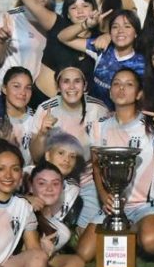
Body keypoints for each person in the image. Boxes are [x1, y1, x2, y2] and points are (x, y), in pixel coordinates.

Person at [77, 68, 154, 260]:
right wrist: (104, 198)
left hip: (147, 204)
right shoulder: (99, 126)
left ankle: (146, 227)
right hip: (114, 205)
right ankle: (125, 231)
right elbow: (96, 167)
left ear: (139, 94)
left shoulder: (149, 125)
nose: (121, 89)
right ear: (110, 91)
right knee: (84, 253)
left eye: (129, 84)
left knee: (151, 242)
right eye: (116, 84)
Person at [26, 65, 111, 233]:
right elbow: (35, 156)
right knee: (48, 228)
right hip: (53, 177)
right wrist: (42, 133)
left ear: (85, 86)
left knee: (85, 232)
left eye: (77, 81)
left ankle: (73, 222)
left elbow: (103, 154)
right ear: (58, 87)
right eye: (66, 82)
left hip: (86, 179)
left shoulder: (98, 109)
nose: (71, 87)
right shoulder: (46, 108)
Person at [26, 161, 87, 267]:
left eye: (55, 184)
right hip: (17, 262)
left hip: (43, 260)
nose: (49, 189)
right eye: (42, 183)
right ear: (31, 185)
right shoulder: (22, 206)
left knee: (77, 263)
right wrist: (25, 199)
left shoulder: (57, 223)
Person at [0, 66, 36, 164]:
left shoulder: (36, 118)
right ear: (4, 89)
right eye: (16, 86)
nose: (23, 92)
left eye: (28, 88)